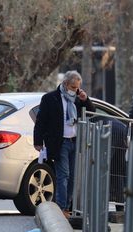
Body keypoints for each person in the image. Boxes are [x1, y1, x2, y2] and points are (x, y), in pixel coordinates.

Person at [33, 70, 95, 218]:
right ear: (66, 84)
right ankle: (62, 207)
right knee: (63, 174)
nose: (76, 90)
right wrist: (38, 141)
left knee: (73, 176)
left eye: (78, 87)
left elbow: (92, 112)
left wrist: (85, 99)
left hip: (75, 141)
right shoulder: (50, 98)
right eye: (73, 87)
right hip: (59, 142)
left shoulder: (78, 99)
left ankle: (66, 205)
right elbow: (41, 121)